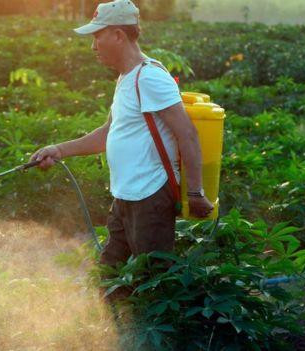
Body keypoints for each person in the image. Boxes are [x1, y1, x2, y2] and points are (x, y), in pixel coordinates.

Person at [29, 0, 214, 273]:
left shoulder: (149, 77)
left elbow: (187, 134)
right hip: (126, 196)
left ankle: (157, 318)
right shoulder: (126, 77)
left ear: (118, 35)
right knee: (110, 274)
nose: (93, 46)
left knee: (152, 278)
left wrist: (195, 192)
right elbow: (107, 133)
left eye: (97, 36)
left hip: (150, 196)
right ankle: (115, 316)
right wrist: (58, 149)